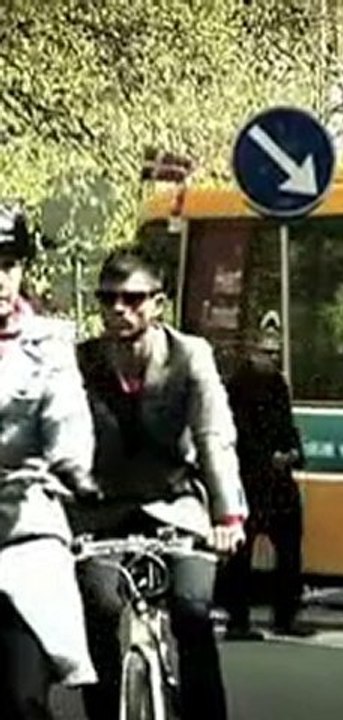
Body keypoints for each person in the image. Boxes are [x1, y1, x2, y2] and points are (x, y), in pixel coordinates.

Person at [71, 248, 249, 720]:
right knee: (101, 615)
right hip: (100, 511)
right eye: (107, 299)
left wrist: (226, 516)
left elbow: (213, 436)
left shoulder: (190, 356)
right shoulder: (80, 362)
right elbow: (59, 438)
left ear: (158, 303)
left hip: (177, 506)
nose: (118, 311)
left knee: (192, 613)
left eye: (132, 299)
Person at [0, 203, 101, 719]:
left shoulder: (51, 344)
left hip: (24, 530)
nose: (0, 277)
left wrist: (72, 465)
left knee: (24, 697)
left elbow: (66, 414)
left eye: (8, 263)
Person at [220, 320, 307, 638]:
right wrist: (264, 458)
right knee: (241, 554)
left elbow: (287, 424)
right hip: (248, 480)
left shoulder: (278, 385)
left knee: (290, 547)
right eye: (267, 352)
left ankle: (286, 615)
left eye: (276, 353)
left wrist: (294, 452)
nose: (273, 358)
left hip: (279, 481)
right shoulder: (237, 387)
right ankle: (238, 620)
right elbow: (238, 432)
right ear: (252, 352)